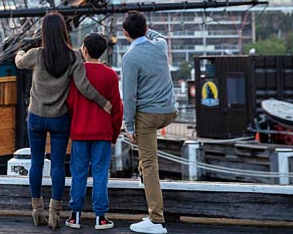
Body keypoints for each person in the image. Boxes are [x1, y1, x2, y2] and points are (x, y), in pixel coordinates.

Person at [16, 13, 113, 229]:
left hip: (36, 117)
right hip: (59, 119)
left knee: (37, 163)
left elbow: (20, 63)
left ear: (44, 32)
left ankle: (36, 209)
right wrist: (103, 102)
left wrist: (20, 52)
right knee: (58, 165)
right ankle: (54, 212)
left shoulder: (36, 54)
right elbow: (84, 86)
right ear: (63, 31)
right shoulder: (74, 57)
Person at [121, 12, 177, 234]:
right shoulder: (160, 45)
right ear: (146, 29)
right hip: (169, 112)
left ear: (125, 34)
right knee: (147, 159)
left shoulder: (130, 58)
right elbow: (157, 35)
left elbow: (130, 96)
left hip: (148, 116)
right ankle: (143, 172)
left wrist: (129, 126)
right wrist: (145, 28)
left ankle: (156, 220)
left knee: (150, 163)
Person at [65, 33, 122, 230]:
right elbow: (117, 107)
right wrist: (114, 133)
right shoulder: (110, 75)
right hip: (102, 132)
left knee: (78, 173)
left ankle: (75, 216)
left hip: (80, 131)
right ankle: (100, 217)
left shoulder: (77, 73)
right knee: (100, 174)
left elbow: (70, 103)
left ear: (85, 50)